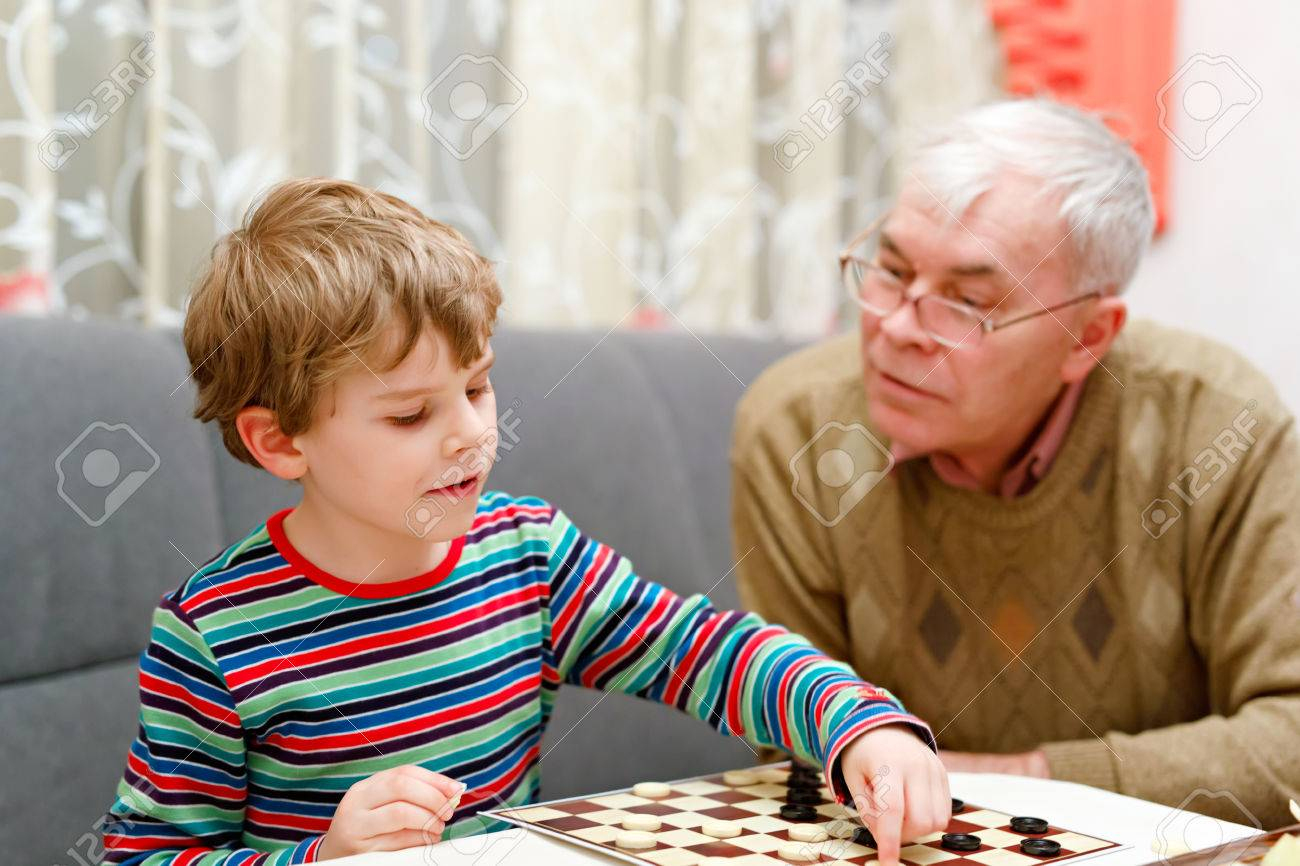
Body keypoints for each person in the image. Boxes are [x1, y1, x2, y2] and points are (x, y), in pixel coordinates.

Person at [101, 177, 949, 864]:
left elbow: (707, 651)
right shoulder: (213, 634)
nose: (473, 432)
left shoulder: (529, 555)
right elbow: (143, 857)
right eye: (410, 416)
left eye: (477, 386)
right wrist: (318, 858)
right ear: (281, 440)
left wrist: (857, 725)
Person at [732, 98, 1300, 828]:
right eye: (892, 272)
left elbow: (1290, 736)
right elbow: (792, 743)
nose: (899, 328)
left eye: (966, 303)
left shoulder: (1216, 425)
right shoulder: (797, 430)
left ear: (1088, 338)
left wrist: (1030, 780)